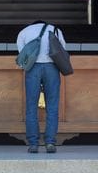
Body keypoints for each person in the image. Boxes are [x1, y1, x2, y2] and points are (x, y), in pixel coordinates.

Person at [16, 20, 66, 154]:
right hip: (51, 68)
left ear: (32, 24)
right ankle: (50, 142)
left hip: (33, 69)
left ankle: (33, 144)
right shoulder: (55, 30)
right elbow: (62, 50)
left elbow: (22, 54)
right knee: (53, 106)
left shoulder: (24, 32)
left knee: (31, 106)